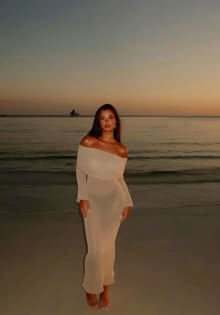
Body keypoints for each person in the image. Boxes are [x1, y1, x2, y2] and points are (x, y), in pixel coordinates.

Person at [76, 104, 133, 310]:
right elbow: (80, 170)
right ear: (97, 121)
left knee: (108, 248)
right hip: (92, 199)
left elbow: (120, 178)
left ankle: (105, 288)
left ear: (116, 121)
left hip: (114, 201)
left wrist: (127, 200)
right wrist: (82, 196)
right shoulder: (88, 141)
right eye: (102, 118)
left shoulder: (122, 149)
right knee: (94, 249)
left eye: (110, 117)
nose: (107, 121)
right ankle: (91, 288)